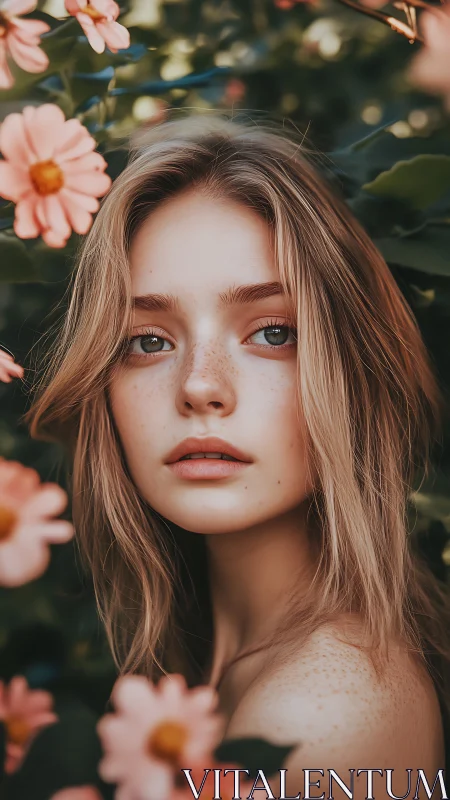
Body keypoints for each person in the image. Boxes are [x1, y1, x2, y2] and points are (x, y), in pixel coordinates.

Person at [27, 111, 450, 790]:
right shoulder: (206, 670)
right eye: (149, 341)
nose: (199, 387)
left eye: (273, 332)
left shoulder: (321, 711)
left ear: (354, 372)